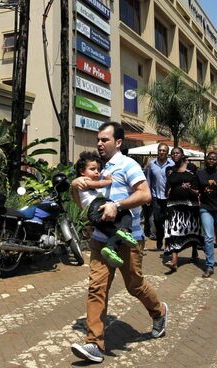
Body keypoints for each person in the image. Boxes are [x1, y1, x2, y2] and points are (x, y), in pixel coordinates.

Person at [70, 122, 168, 363]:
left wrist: (118, 205)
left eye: (105, 139)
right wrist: (75, 186)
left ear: (119, 143)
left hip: (129, 239)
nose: (99, 144)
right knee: (97, 287)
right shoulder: (98, 169)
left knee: (134, 285)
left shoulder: (128, 165)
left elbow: (145, 195)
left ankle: (159, 312)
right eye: (98, 140)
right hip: (100, 239)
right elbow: (83, 202)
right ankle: (94, 343)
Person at [73, 151, 138, 268]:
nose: (97, 172)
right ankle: (126, 230)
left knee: (114, 233)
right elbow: (98, 185)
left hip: (95, 216)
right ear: (82, 172)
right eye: (92, 169)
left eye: (98, 169)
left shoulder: (85, 183)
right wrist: (108, 181)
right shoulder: (83, 181)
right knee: (125, 210)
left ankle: (111, 249)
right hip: (96, 207)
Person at [163, 147, 201, 273]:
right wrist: (167, 192)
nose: (174, 155)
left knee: (192, 231)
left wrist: (190, 189)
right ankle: (174, 261)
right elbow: (168, 186)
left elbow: (197, 188)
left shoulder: (192, 169)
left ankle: (194, 251)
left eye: (177, 153)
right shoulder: (169, 170)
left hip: (190, 205)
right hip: (174, 205)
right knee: (174, 230)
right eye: (172, 153)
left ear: (182, 155)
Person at [144, 143, 174, 250]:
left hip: (168, 198)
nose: (161, 152)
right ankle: (160, 236)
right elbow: (148, 180)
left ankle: (167, 241)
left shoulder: (172, 164)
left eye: (164, 151)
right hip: (156, 196)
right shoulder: (152, 164)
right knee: (157, 220)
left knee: (168, 220)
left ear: (167, 153)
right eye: (160, 150)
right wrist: (148, 195)